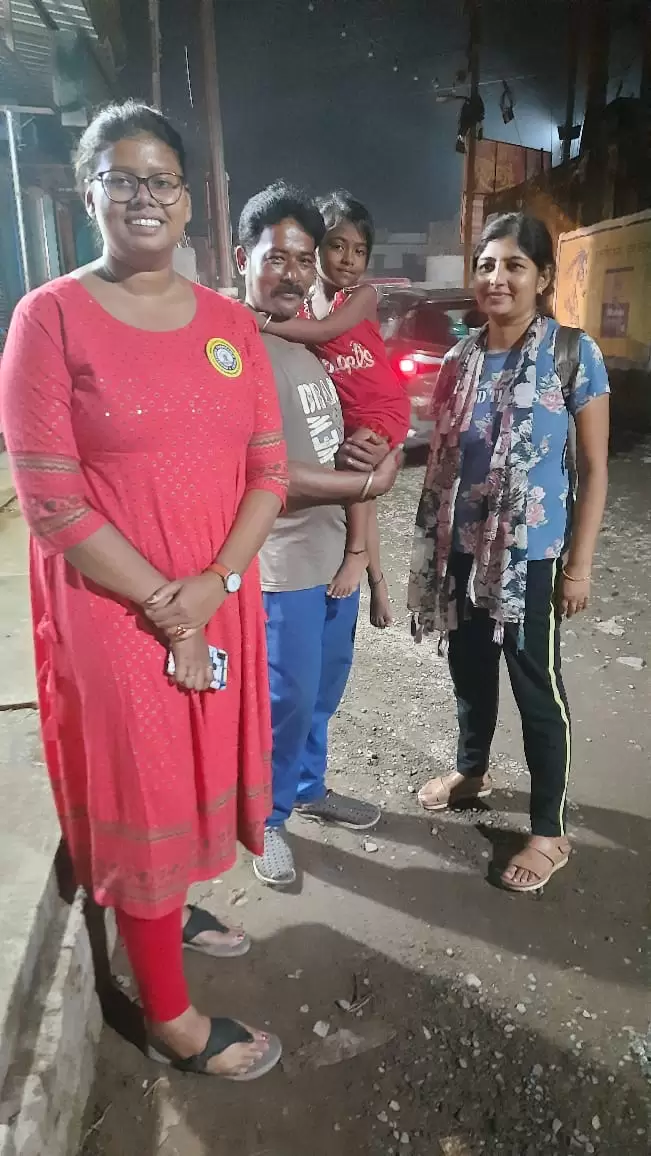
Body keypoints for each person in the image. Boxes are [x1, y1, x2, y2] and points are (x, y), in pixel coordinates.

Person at [0, 101, 289, 1080]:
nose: (143, 196)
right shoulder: (49, 318)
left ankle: (164, 906)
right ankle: (168, 1015)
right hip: (114, 609)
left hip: (214, 593)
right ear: (89, 195)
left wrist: (216, 582)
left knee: (190, 774)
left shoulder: (230, 324)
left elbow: (268, 469)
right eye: (120, 179)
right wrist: (172, 606)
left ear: (188, 199)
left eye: (161, 178)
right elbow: (50, 498)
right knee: (144, 783)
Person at [408, 213, 610, 893]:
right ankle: (472, 770)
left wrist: (578, 566)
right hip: (461, 549)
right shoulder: (458, 360)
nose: (496, 278)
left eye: (514, 265)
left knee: (536, 688)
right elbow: (443, 456)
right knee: (468, 670)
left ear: (543, 277)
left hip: (531, 556)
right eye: (487, 265)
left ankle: (549, 832)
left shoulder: (571, 354)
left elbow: (593, 467)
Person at [236, 182, 402, 887]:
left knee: (324, 689)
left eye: (304, 260)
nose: (294, 273)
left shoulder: (315, 341)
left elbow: (355, 440)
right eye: (277, 257)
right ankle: (265, 819)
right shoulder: (237, 348)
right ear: (244, 259)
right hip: (282, 563)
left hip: (334, 556)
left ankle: (307, 788)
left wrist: (377, 468)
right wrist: (369, 483)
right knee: (285, 697)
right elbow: (263, 472)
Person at [261, 190, 410, 629]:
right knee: (358, 490)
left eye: (360, 251)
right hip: (346, 412)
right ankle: (378, 584)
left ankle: (357, 554)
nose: (348, 259)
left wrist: (258, 319)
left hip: (380, 406)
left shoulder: (362, 296)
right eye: (337, 246)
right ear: (318, 249)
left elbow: (326, 332)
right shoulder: (304, 305)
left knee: (354, 472)